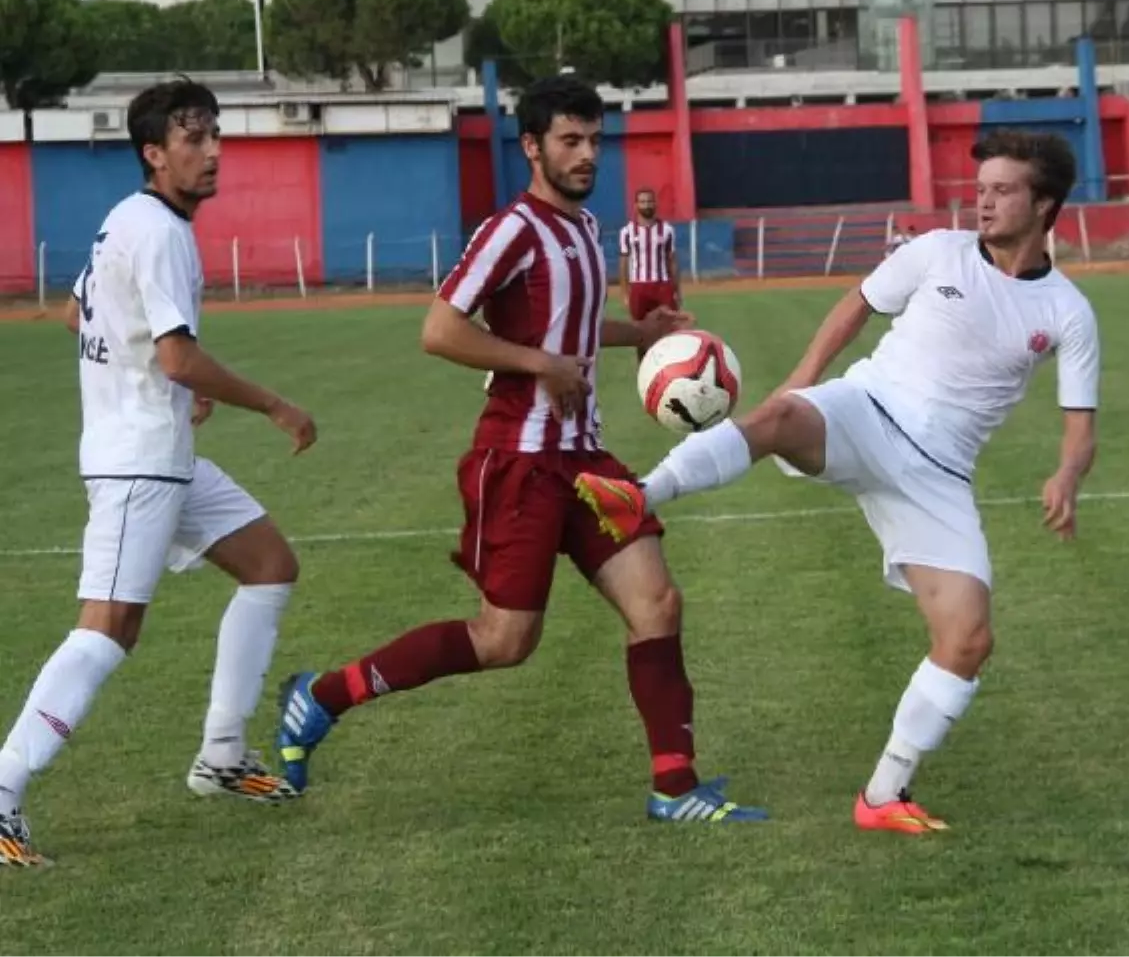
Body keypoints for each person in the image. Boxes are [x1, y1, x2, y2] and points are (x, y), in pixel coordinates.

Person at [576, 129, 1099, 834]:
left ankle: (882, 797)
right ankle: (637, 494)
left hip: (937, 476)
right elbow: (856, 305)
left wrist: (1066, 474)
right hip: (867, 409)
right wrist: (801, 380)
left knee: (968, 639)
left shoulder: (1067, 311)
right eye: (980, 189)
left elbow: (1080, 424)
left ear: (1045, 204)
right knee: (783, 416)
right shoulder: (936, 251)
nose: (984, 202)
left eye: (1002, 191)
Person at [275, 75, 766, 824]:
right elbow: (439, 329)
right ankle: (321, 696)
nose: (587, 155)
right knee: (505, 639)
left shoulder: (582, 230)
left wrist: (644, 333)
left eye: (595, 140)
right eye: (570, 140)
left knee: (657, 602)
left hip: (584, 458)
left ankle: (675, 789)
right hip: (520, 459)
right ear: (532, 146)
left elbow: (568, 329)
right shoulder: (512, 229)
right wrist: (539, 366)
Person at [0, 80, 317, 868]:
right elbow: (174, 354)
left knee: (270, 566)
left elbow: (80, 312)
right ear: (153, 152)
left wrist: (167, 386)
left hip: (161, 455)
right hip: (136, 463)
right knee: (107, 630)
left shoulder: (128, 219)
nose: (210, 151)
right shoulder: (163, 233)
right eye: (191, 138)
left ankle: (221, 754)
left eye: (214, 135)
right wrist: (271, 404)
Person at [618, 188, 681, 358]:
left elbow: (672, 261)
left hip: (663, 286)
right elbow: (624, 262)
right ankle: (644, 373)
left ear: (655, 203)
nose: (647, 205)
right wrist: (625, 292)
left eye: (650, 201)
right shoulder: (627, 232)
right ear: (636, 205)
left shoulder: (667, 230)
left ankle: (670, 370)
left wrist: (677, 291)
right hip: (639, 288)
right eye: (643, 201)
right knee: (640, 333)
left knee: (669, 330)